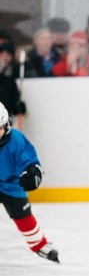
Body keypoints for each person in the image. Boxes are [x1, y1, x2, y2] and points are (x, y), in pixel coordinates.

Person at [0, 103, 59, 263]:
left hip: (10, 183)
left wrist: (33, 172)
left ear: (6, 125)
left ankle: (39, 244)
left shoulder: (16, 139)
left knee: (22, 214)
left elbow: (29, 161)